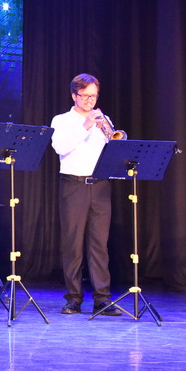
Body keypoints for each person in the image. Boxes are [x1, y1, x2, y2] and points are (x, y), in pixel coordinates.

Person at [50, 74, 120, 316]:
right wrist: (86, 125)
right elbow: (59, 147)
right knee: (73, 244)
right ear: (74, 95)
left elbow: (115, 149)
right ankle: (73, 298)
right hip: (74, 185)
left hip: (100, 185)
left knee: (99, 244)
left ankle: (102, 298)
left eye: (93, 96)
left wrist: (108, 134)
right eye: (85, 96)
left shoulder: (104, 119)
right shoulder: (62, 120)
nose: (90, 101)